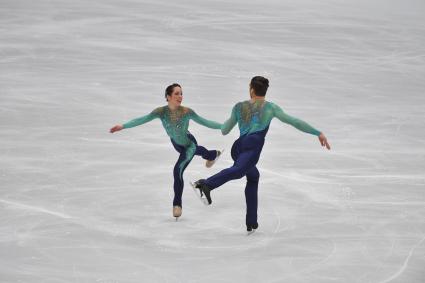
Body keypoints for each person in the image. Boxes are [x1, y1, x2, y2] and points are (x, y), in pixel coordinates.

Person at [192, 76, 331, 232]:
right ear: (265, 91)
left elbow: (224, 130)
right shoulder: (271, 108)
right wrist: (317, 132)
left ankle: (251, 221)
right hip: (252, 147)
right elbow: (295, 122)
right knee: (238, 171)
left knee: (253, 176)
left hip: (237, 148)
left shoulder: (239, 107)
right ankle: (207, 184)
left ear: (251, 89)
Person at [110, 83, 222, 220]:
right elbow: (142, 119)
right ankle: (213, 154)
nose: (180, 96)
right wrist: (123, 126)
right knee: (197, 152)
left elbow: (205, 122)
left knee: (178, 170)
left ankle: (177, 204)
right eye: (176, 93)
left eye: (181, 93)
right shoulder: (160, 112)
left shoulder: (187, 112)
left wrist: (223, 126)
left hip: (189, 144)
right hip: (176, 144)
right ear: (168, 96)